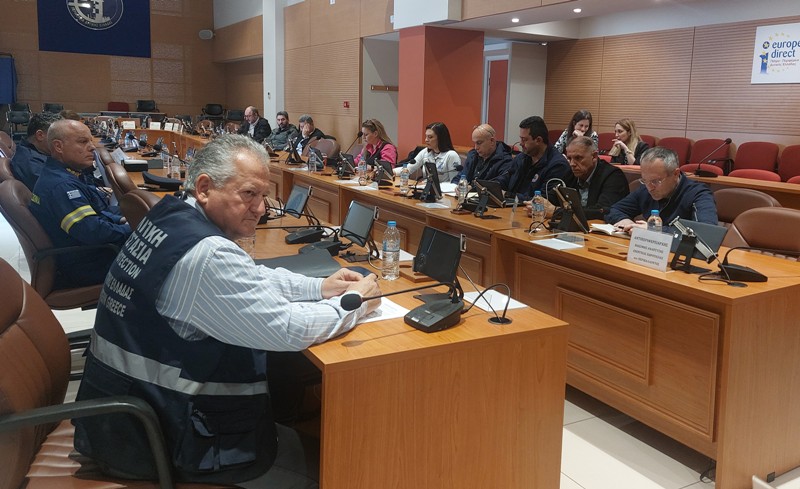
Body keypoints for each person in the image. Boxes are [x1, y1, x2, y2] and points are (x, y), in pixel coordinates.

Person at [72, 134, 381, 487]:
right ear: (205, 188)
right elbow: (289, 330)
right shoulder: (208, 255)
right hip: (156, 439)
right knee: (336, 470)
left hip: (122, 415)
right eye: (248, 194)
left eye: (263, 195)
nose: (261, 209)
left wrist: (319, 287)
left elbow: (247, 277)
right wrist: (354, 302)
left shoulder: (171, 217)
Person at [29, 119, 131, 288]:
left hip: (88, 253)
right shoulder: (62, 186)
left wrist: (120, 220)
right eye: (83, 142)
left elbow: (93, 215)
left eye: (90, 141)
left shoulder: (63, 174)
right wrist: (133, 229)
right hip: (89, 264)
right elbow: (94, 232)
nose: (92, 147)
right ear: (58, 146)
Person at [605, 146, 718, 233]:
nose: (649, 187)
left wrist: (654, 230)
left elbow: (707, 232)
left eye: (656, 181)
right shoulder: (645, 189)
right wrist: (625, 221)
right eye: (644, 180)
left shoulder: (698, 194)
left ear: (675, 174)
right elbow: (614, 210)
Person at [539, 136, 629, 221]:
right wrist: (539, 202)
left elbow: (602, 211)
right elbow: (551, 197)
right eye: (569, 158)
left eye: (578, 158)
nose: (572, 164)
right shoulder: (571, 172)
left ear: (594, 156)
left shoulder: (613, 176)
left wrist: (557, 212)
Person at [494, 116, 569, 202]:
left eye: (524, 140)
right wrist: (492, 187)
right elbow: (506, 178)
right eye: (520, 138)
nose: (520, 143)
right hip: (512, 207)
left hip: (532, 210)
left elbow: (543, 201)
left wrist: (508, 195)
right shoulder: (521, 158)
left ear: (538, 140)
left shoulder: (557, 166)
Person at [11, 111, 62, 191]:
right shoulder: (30, 163)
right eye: (59, 137)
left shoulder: (41, 152)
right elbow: (60, 189)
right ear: (40, 135)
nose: (63, 142)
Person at [395, 122, 461, 183]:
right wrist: (393, 172)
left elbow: (454, 183)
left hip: (444, 191)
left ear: (440, 138)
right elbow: (409, 169)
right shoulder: (425, 152)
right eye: (426, 136)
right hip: (426, 189)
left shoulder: (451, 155)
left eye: (430, 137)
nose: (426, 140)